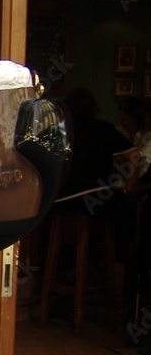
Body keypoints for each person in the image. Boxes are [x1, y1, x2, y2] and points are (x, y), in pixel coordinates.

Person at [52, 87, 138, 262]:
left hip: (58, 202)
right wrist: (130, 189)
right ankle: (109, 261)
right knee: (129, 209)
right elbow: (135, 156)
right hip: (95, 199)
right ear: (93, 107)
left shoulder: (57, 131)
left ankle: (72, 264)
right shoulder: (103, 129)